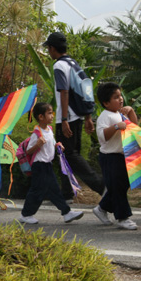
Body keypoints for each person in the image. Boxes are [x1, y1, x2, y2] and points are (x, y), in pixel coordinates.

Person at [43, 32, 105, 201]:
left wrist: (63, 120)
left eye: (48, 48)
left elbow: (63, 91)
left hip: (67, 117)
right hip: (77, 115)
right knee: (65, 154)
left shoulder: (58, 66)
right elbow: (84, 89)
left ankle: (101, 187)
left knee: (69, 154)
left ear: (52, 48)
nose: (48, 51)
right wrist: (87, 117)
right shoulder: (73, 63)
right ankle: (67, 193)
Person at [17, 102, 84, 224]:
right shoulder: (37, 133)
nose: (52, 115)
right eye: (49, 113)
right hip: (39, 165)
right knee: (38, 191)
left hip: (47, 165)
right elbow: (29, 150)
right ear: (41, 117)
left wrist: (58, 145)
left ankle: (66, 212)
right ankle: (26, 214)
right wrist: (37, 144)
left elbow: (52, 143)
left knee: (52, 190)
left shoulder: (49, 130)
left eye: (52, 112)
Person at [92, 83, 138, 230]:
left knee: (122, 186)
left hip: (122, 156)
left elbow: (134, 128)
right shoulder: (105, 116)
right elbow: (102, 136)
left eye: (120, 96)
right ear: (106, 102)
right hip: (110, 157)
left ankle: (102, 208)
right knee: (117, 187)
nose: (120, 99)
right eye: (116, 97)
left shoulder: (119, 114)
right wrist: (117, 126)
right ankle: (123, 217)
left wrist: (130, 113)